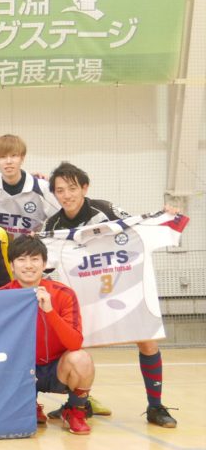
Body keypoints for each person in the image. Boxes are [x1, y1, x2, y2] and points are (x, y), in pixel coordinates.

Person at [43, 161, 179, 428]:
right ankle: (78, 403)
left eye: (72, 188)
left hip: (123, 290)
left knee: (147, 340)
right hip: (85, 296)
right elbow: (43, 266)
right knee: (74, 348)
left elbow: (139, 227)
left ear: (85, 188)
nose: (66, 195)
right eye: (60, 190)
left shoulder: (106, 211)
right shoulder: (53, 225)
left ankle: (155, 406)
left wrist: (165, 216)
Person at [0, 235, 95, 435]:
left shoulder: (63, 294)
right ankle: (29, 405)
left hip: (55, 369)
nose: (28, 265)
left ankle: (75, 411)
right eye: (21, 259)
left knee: (81, 359)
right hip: (21, 370)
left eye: (35, 259)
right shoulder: (0, 297)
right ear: (12, 265)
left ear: (44, 264)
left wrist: (50, 311)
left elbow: (74, 343)